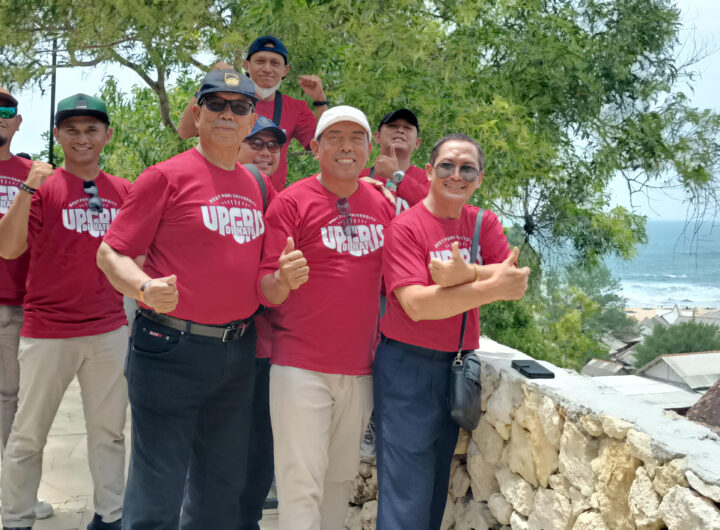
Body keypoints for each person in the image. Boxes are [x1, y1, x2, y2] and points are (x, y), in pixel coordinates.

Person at [97, 69, 281, 529]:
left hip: (237, 349)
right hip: (169, 346)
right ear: (197, 114)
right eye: (216, 104)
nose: (227, 114)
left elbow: (298, 216)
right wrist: (143, 288)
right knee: (157, 493)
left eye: (239, 107)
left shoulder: (258, 186)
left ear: (251, 119)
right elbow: (110, 253)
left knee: (220, 490)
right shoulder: (164, 177)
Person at [374, 133, 531, 530]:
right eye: (446, 166)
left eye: (467, 169)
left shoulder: (482, 222)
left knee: (433, 491)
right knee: (405, 492)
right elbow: (418, 305)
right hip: (406, 367)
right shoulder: (405, 228)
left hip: (458, 368)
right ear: (428, 171)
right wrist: (489, 283)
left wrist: (467, 273)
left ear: (479, 178)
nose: (456, 175)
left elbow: (516, 280)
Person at [257, 105, 394, 530]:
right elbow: (265, 288)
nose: (345, 147)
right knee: (301, 487)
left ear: (369, 149)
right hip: (300, 367)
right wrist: (283, 280)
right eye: (334, 137)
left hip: (360, 369)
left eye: (356, 138)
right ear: (315, 148)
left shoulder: (384, 205)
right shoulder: (291, 203)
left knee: (339, 482)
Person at [0, 93, 130, 530]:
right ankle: (16, 519)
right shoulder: (42, 187)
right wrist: (27, 188)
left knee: (109, 433)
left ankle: (111, 516)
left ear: (107, 135)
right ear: (57, 134)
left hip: (109, 328)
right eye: (71, 130)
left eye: (91, 129)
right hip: (48, 330)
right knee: (28, 434)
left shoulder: (124, 190)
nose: (82, 138)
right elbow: (8, 247)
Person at [0, 86, 54, 523]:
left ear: (18, 122)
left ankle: (15, 495)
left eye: (6, 109)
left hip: (18, 305)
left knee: (13, 403)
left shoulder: (38, 176)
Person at [178, 35, 327, 191]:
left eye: (275, 63)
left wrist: (320, 100)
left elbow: (323, 148)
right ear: (247, 66)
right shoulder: (228, 99)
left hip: (269, 197)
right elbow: (185, 132)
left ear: (285, 70)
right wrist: (206, 85)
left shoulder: (296, 108)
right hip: (223, 190)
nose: (267, 69)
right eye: (260, 61)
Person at [235, 115, 286, 530]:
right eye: (256, 143)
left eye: (273, 146)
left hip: (269, 348)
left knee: (260, 451)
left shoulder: (284, 200)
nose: (265, 153)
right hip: (223, 343)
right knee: (216, 449)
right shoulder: (218, 197)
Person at [360, 108, 429, 215]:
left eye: (407, 128)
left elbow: (438, 207)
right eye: (392, 126)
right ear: (377, 137)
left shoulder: (429, 179)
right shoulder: (359, 177)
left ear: (417, 143)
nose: (400, 130)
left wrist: (396, 176)